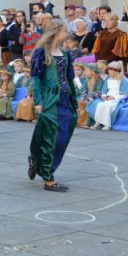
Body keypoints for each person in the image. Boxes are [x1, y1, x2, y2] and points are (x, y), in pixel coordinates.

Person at [27, 21, 78, 192]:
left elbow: (70, 79)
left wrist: (75, 102)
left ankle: (36, 160)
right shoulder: (41, 52)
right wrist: (39, 102)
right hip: (49, 99)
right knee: (50, 138)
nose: (67, 33)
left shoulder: (66, 53)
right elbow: (36, 78)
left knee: (62, 137)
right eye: (65, 31)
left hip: (64, 100)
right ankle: (48, 178)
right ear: (57, 32)